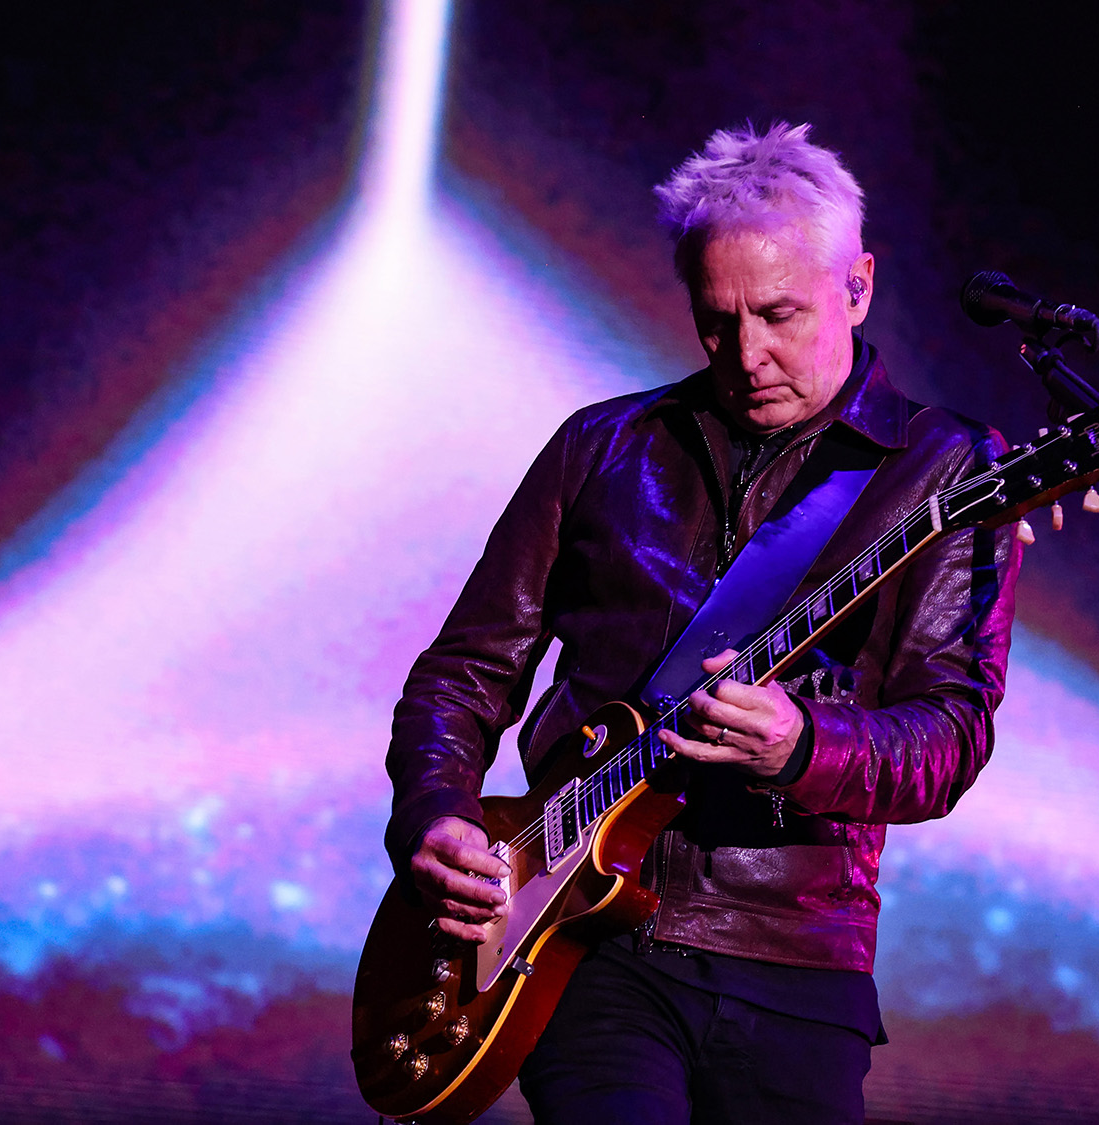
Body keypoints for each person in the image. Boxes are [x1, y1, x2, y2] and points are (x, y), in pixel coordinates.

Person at [384, 121, 1020, 1125]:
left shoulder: (940, 472)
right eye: (715, 321)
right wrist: (433, 811)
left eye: (778, 314)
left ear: (856, 287)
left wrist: (802, 744)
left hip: (795, 957)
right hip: (585, 945)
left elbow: (946, 741)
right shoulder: (601, 447)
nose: (746, 354)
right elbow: (463, 671)